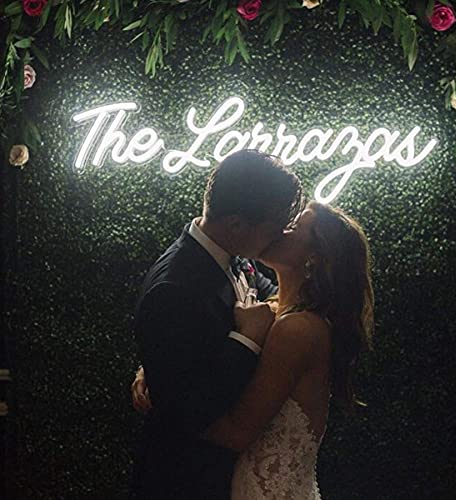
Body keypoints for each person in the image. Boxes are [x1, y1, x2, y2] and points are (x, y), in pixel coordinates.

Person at [133, 200, 375, 499]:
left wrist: (166, 388)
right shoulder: (275, 306)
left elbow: (236, 433)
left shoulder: (298, 329)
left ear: (313, 257)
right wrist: (160, 360)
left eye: (293, 227)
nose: (280, 229)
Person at [129, 150, 303, 500]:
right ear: (236, 224)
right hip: (185, 481)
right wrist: (245, 339)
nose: (279, 236)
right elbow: (186, 414)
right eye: (274, 228)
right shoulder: (173, 289)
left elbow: (273, 296)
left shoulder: (232, 254)